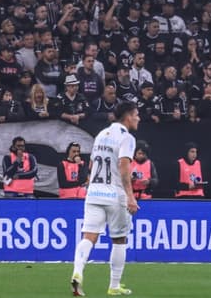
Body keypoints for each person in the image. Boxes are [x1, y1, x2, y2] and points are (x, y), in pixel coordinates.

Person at [70, 101, 140, 297]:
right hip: (115, 194)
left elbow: (92, 165)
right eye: (136, 115)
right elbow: (124, 167)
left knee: (88, 237)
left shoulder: (101, 134)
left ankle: (78, 272)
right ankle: (114, 285)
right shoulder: (127, 138)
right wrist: (130, 196)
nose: (138, 118)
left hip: (94, 193)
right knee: (119, 239)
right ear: (127, 116)